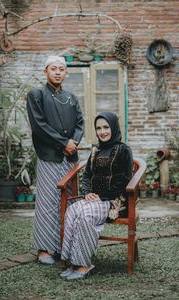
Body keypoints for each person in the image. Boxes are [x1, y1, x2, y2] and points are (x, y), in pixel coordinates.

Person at [60, 112, 133, 280]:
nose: (102, 131)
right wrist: (87, 193)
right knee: (72, 210)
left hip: (114, 202)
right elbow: (87, 176)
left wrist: (101, 196)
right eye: (98, 128)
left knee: (86, 214)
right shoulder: (95, 150)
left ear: (113, 128)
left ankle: (84, 264)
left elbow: (123, 181)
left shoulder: (123, 150)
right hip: (94, 198)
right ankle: (73, 261)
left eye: (106, 127)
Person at [27, 55, 84, 265]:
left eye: (61, 69)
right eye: (54, 69)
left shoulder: (71, 97)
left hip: (70, 158)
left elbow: (80, 123)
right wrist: (63, 143)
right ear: (46, 72)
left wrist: (74, 143)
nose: (58, 72)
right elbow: (39, 126)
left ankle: (64, 247)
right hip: (49, 157)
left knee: (69, 202)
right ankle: (43, 249)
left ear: (66, 73)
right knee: (48, 202)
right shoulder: (37, 95)